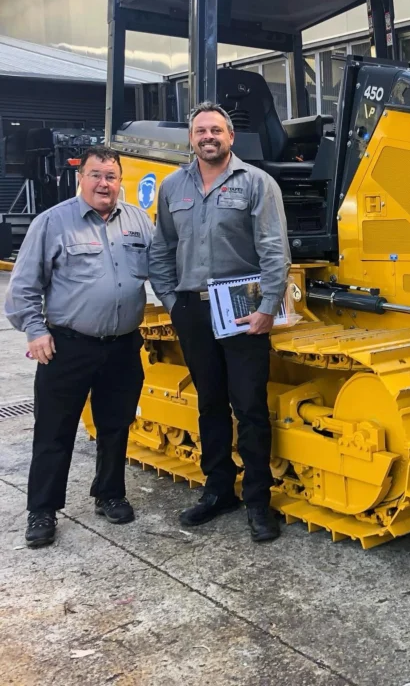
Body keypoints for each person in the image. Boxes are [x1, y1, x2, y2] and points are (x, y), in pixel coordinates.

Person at [149, 102, 290, 543]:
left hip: (244, 310)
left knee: (249, 407)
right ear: (191, 139)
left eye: (216, 130)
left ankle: (257, 501)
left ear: (230, 136)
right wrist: (172, 301)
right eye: (200, 131)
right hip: (193, 309)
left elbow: (274, 250)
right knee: (209, 403)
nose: (207, 137)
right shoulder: (173, 186)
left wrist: (268, 307)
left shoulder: (257, 184)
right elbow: (161, 248)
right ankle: (218, 491)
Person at [5, 147, 153, 548]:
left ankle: (109, 494)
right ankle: (42, 510)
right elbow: (22, 288)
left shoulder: (139, 221)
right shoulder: (52, 223)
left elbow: (161, 273)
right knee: (55, 431)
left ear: (120, 181)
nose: (103, 183)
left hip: (123, 346)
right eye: (95, 175)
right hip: (67, 346)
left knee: (115, 425)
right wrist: (36, 332)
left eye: (111, 176)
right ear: (80, 178)